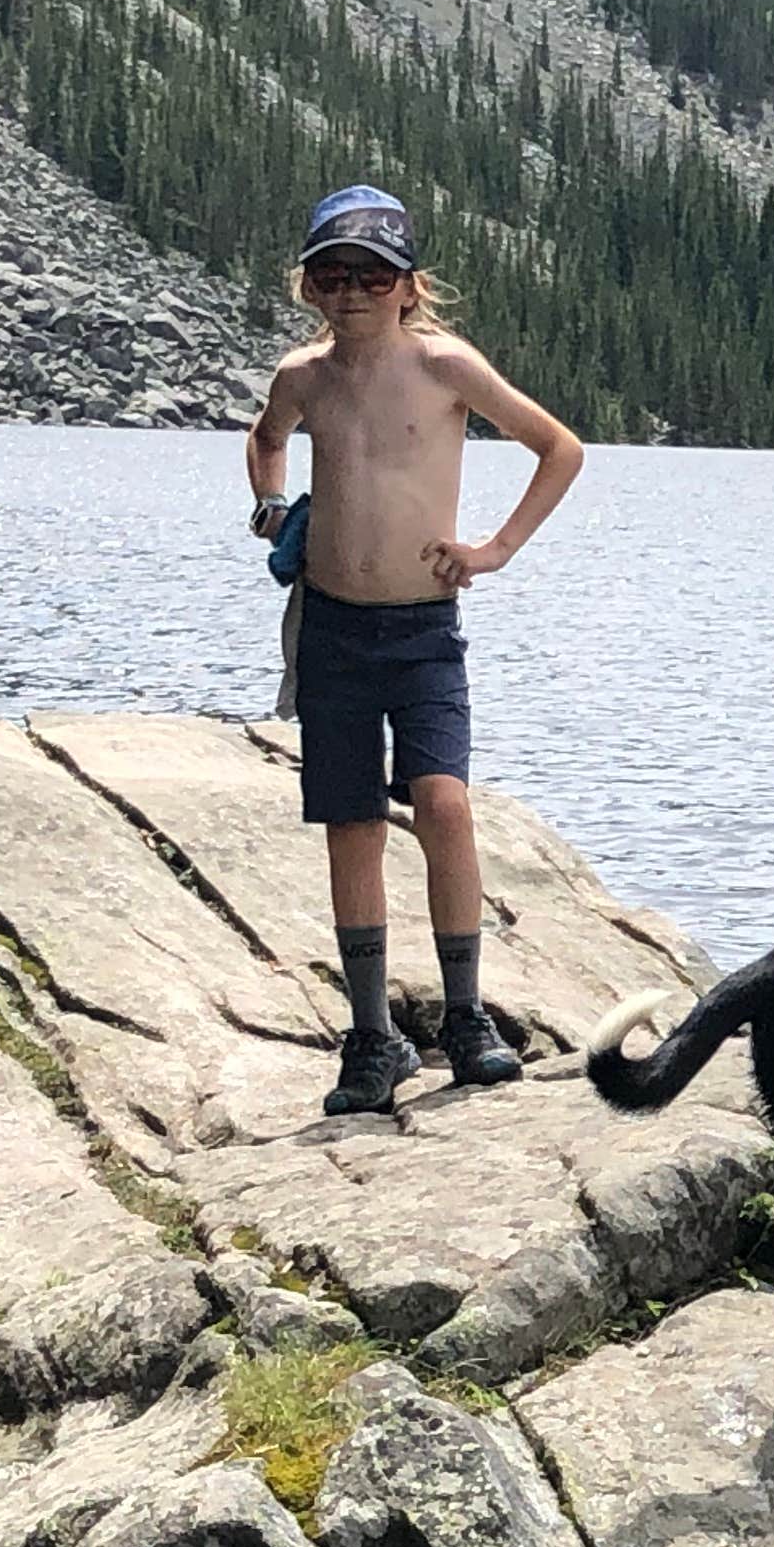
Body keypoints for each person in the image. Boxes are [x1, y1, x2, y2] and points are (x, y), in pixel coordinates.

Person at [244, 186, 585, 1117]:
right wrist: (272, 505)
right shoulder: (303, 376)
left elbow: (557, 446)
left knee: (442, 804)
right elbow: (267, 439)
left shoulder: (444, 366)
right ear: (309, 284)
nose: (351, 290)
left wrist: (495, 550)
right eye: (332, 273)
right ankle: (370, 1040)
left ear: (406, 284)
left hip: (425, 631)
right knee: (351, 822)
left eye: (372, 274)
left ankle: (467, 1018)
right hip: (335, 631)